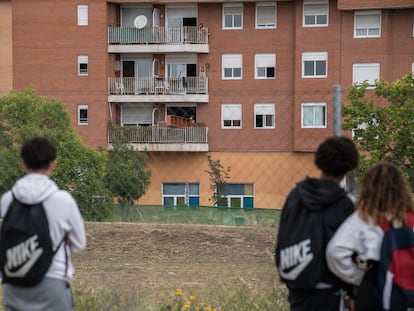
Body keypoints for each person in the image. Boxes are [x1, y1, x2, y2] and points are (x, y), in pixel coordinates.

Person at [0, 137, 86, 311]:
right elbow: (79, 244)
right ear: (53, 164)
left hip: (14, 282)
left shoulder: (8, 200)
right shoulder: (63, 200)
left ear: (23, 163)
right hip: (53, 282)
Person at [275, 136, 359, 311]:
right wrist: (352, 292)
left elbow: (283, 235)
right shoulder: (345, 204)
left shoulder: (296, 194)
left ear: (319, 161)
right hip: (329, 290)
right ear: (349, 166)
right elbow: (349, 250)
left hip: (298, 284)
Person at [326, 162, 414, 310]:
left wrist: (359, 278)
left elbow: (335, 252)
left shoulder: (364, 218)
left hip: (372, 291)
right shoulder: (410, 218)